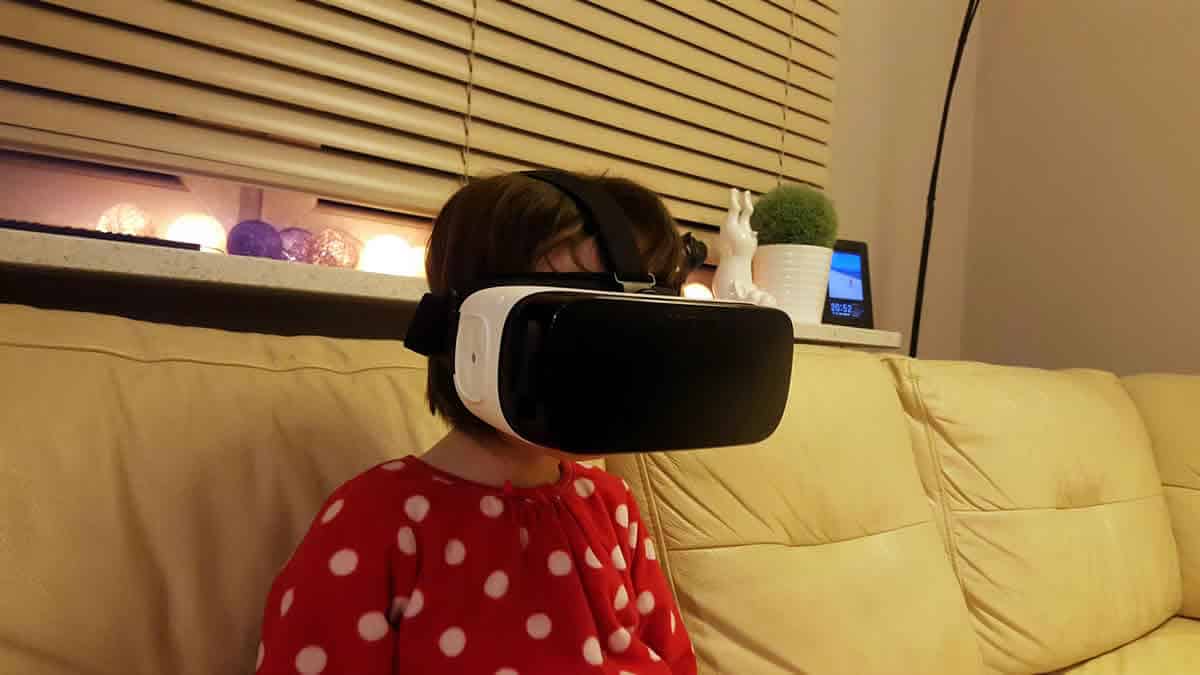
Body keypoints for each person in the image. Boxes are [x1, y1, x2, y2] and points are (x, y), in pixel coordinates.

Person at [255, 173, 699, 674]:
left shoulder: (610, 506)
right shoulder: (376, 521)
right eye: (582, 324)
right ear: (471, 334)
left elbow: (671, 661)